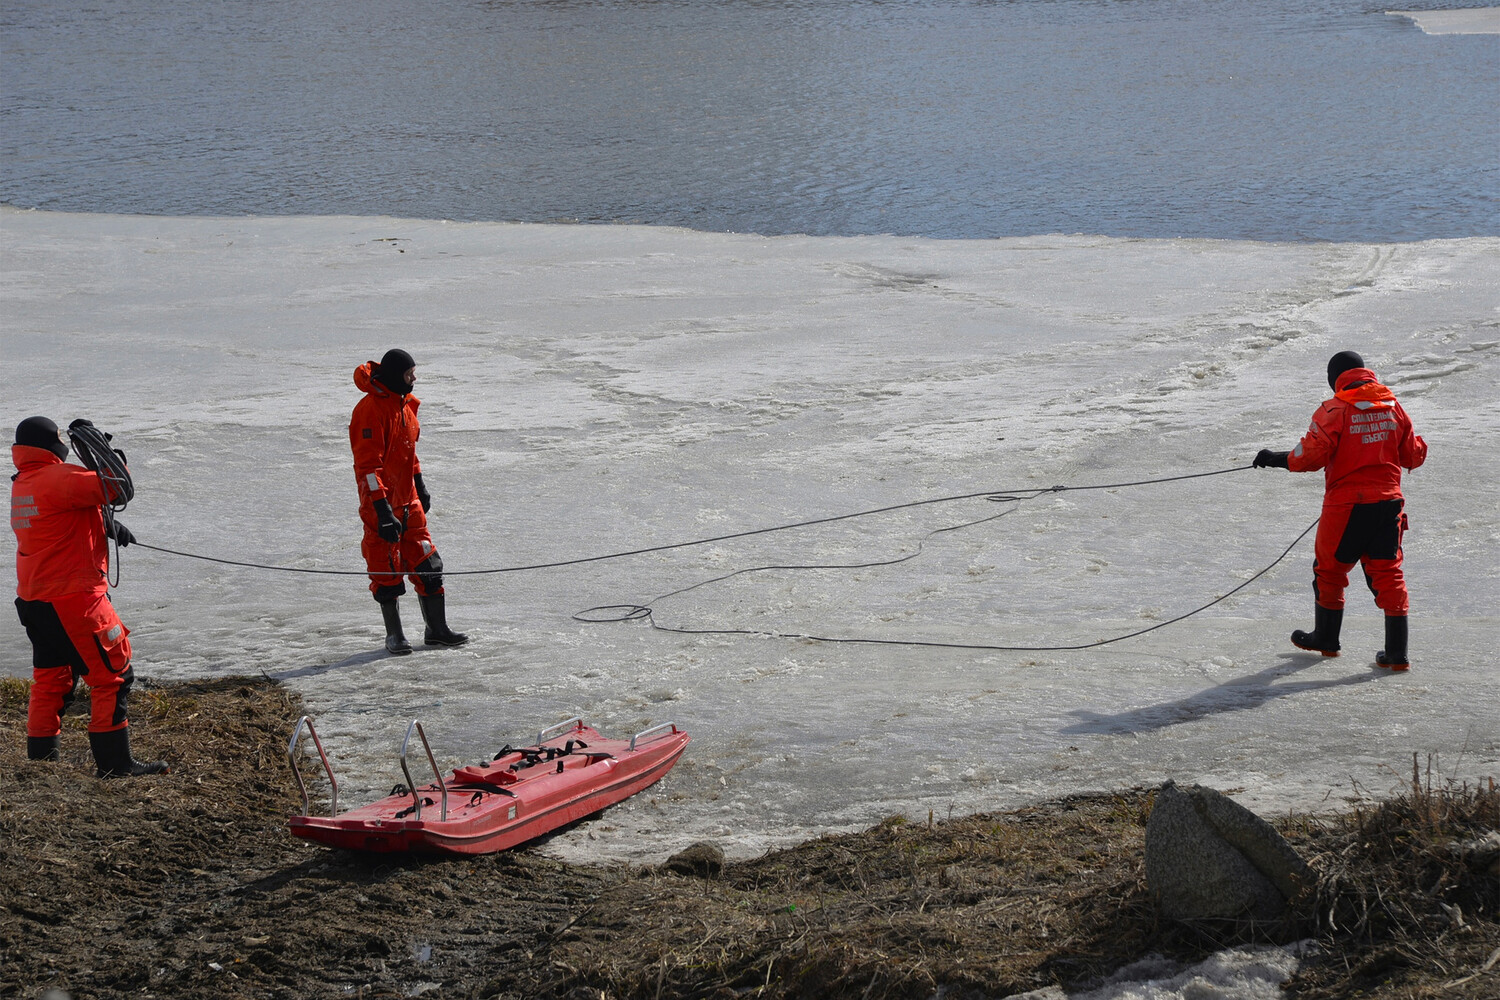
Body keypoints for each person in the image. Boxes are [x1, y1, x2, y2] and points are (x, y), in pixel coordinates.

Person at [10, 416, 169, 777]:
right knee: (113, 676)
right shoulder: (60, 478)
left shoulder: (24, 482)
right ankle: (116, 766)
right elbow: (117, 486)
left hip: (35, 600)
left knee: (52, 679)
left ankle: (41, 764)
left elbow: (59, 519)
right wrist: (101, 445)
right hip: (74, 600)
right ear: (53, 443)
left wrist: (105, 526)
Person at [1253, 351, 1427, 670]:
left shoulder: (1334, 408)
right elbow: (1412, 456)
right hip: (1389, 504)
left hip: (1346, 506)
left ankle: (1326, 638)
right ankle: (1397, 654)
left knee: (1330, 569)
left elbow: (1309, 457)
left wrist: (1274, 457)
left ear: (1335, 379)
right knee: (1389, 573)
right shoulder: (1393, 407)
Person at [349, 349, 469, 654]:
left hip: (410, 501)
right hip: (382, 505)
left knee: (428, 565)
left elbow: (409, 452)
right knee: (385, 570)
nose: (414, 379)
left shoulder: (406, 407)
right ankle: (395, 635)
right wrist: (382, 509)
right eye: (409, 374)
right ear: (394, 376)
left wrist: (420, 483)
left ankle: (437, 630)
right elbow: (368, 468)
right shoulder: (370, 411)